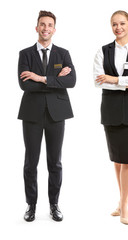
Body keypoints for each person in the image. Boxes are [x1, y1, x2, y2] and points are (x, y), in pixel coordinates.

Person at [93, 10, 128, 225]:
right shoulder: (102, 51)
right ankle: (125, 197)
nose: (118, 28)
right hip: (110, 110)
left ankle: (124, 204)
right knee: (117, 158)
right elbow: (98, 81)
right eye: (115, 24)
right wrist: (127, 80)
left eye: (122, 23)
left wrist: (114, 79)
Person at [18, 10, 75, 222]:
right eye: (42, 24)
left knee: (55, 162)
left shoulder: (63, 54)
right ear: (37, 27)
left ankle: (54, 204)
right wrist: (54, 81)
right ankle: (31, 205)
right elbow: (25, 85)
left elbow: (71, 82)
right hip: (32, 114)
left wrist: (40, 78)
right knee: (30, 162)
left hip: (56, 114)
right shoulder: (25, 54)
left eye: (49, 25)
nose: (45, 28)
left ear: (54, 29)